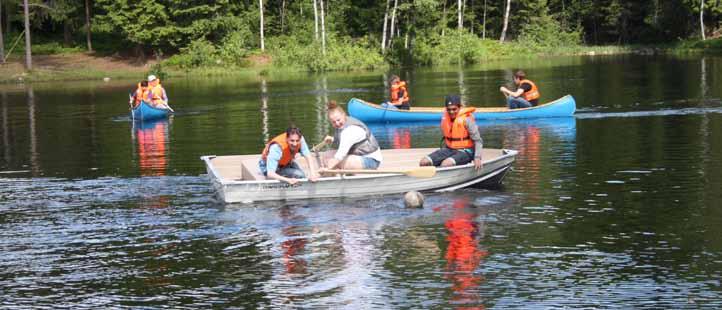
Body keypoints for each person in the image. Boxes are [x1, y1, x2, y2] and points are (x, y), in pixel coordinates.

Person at [419, 95, 483, 170]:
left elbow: (478, 141)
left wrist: (477, 157)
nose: (451, 112)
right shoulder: (445, 118)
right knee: (423, 162)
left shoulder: (467, 119)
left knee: (445, 164)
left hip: (466, 151)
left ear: (459, 107)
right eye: (449, 109)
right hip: (449, 149)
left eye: (454, 109)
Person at [320, 100, 382, 171]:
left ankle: (336, 176)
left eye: (338, 120)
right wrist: (333, 139)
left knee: (336, 162)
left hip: (371, 160)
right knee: (326, 155)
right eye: (333, 122)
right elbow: (345, 142)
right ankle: (335, 175)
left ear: (344, 115)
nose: (337, 123)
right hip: (358, 156)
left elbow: (340, 154)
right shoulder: (342, 126)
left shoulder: (350, 130)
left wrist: (327, 168)